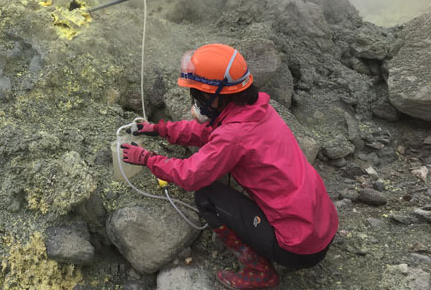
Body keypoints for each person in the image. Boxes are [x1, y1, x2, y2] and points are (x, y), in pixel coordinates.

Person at [121, 43, 338, 289]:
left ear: (216, 94)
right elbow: (207, 131)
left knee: (206, 195)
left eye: (196, 92)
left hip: (300, 248)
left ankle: (259, 272)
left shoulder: (233, 135)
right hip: (322, 225)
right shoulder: (255, 111)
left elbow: (190, 175)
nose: (195, 99)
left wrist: (147, 159)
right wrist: (159, 129)